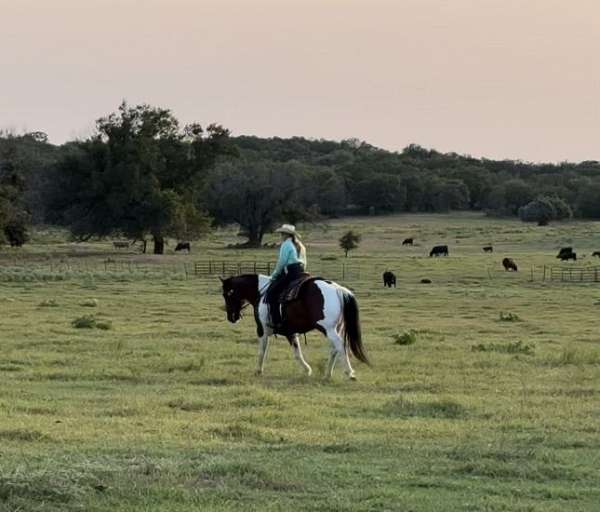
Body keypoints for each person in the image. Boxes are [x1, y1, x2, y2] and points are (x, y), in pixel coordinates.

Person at [266, 224, 307, 331]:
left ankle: (277, 322)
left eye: (281, 233)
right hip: (301, 271)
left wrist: (274, 275)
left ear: (285, 234)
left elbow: (282, 262)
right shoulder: (300, 245)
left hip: (291, 272)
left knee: (271, 293)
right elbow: (304, 262)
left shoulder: (286, 244)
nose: (280, 235)